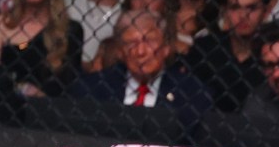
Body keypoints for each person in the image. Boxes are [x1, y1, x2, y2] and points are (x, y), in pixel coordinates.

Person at [70, 10, 212, 126]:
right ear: (120, 52)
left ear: (166, 48)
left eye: (149, 41)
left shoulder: (193, 93)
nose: (140, 51)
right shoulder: (92, 88)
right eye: (131, 43)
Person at [185, 0, 274, 111]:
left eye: (251, 8)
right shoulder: (204, 48)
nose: (243, 16)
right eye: (235, 7)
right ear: (225, 11)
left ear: (266, 12)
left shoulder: (273, 56)